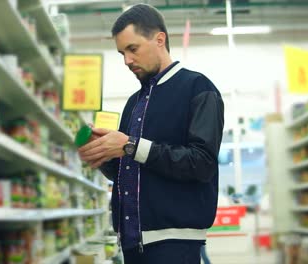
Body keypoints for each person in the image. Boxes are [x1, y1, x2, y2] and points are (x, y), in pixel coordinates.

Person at [78, 4, 224, 263]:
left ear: (159, 39)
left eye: (132, 49)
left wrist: (130, 145)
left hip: (174, 243)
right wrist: (102, 155)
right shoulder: (134, 102)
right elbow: (129, 170)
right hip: (132, 241)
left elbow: (202, 163)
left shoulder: (197, 88)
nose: (127, 60)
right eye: (122, 53)